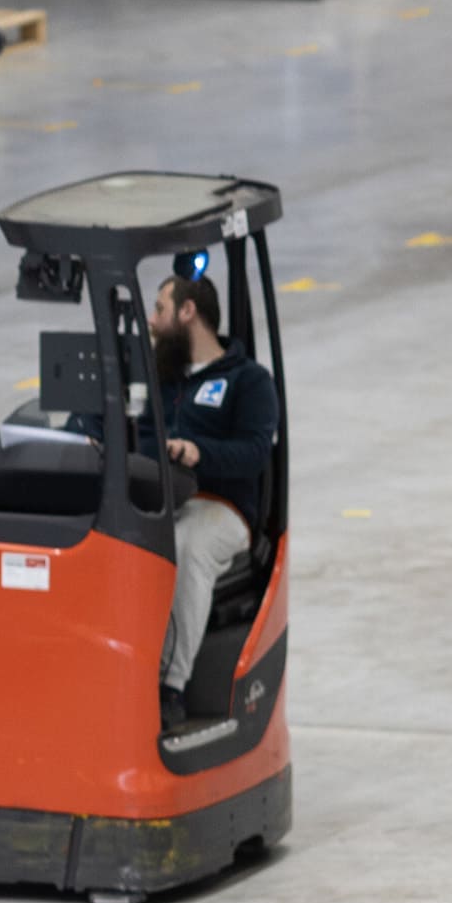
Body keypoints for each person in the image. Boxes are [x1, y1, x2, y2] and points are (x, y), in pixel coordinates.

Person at [146, 270, 278, 730]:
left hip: (224, 508)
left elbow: (255, 452)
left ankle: (170, 685)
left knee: (187, 546)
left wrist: (200, 453)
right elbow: (142, 435)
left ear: (188, 312)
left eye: (160, 309)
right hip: (167, 500)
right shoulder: (164, 381)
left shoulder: (248, 381)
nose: (151, 320)